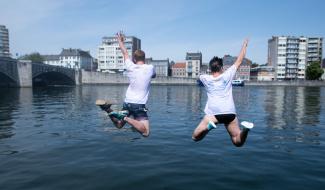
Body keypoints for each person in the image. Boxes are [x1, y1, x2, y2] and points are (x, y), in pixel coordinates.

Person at [192, 39, 254, 147]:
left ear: (210, 68)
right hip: (229, 113)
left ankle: (209, 127)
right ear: (222, 67)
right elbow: (239, 60)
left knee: (195, 137)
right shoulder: (227, 74)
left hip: (213, 114)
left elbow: (199, 75)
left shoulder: (204, 78)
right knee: (237, 141)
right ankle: (246, 129)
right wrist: (244, 45)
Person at [97, 31, 156, 137]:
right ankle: (124, 117)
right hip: (139, 105)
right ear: (144, 58)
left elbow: (125, 53)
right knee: (146, 133)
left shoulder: (130, 66)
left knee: (119, 125)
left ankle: (107, 109)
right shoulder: (150, 68)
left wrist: (120, 41)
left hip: (127, 102)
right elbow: (154, 75)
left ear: (134, 59)